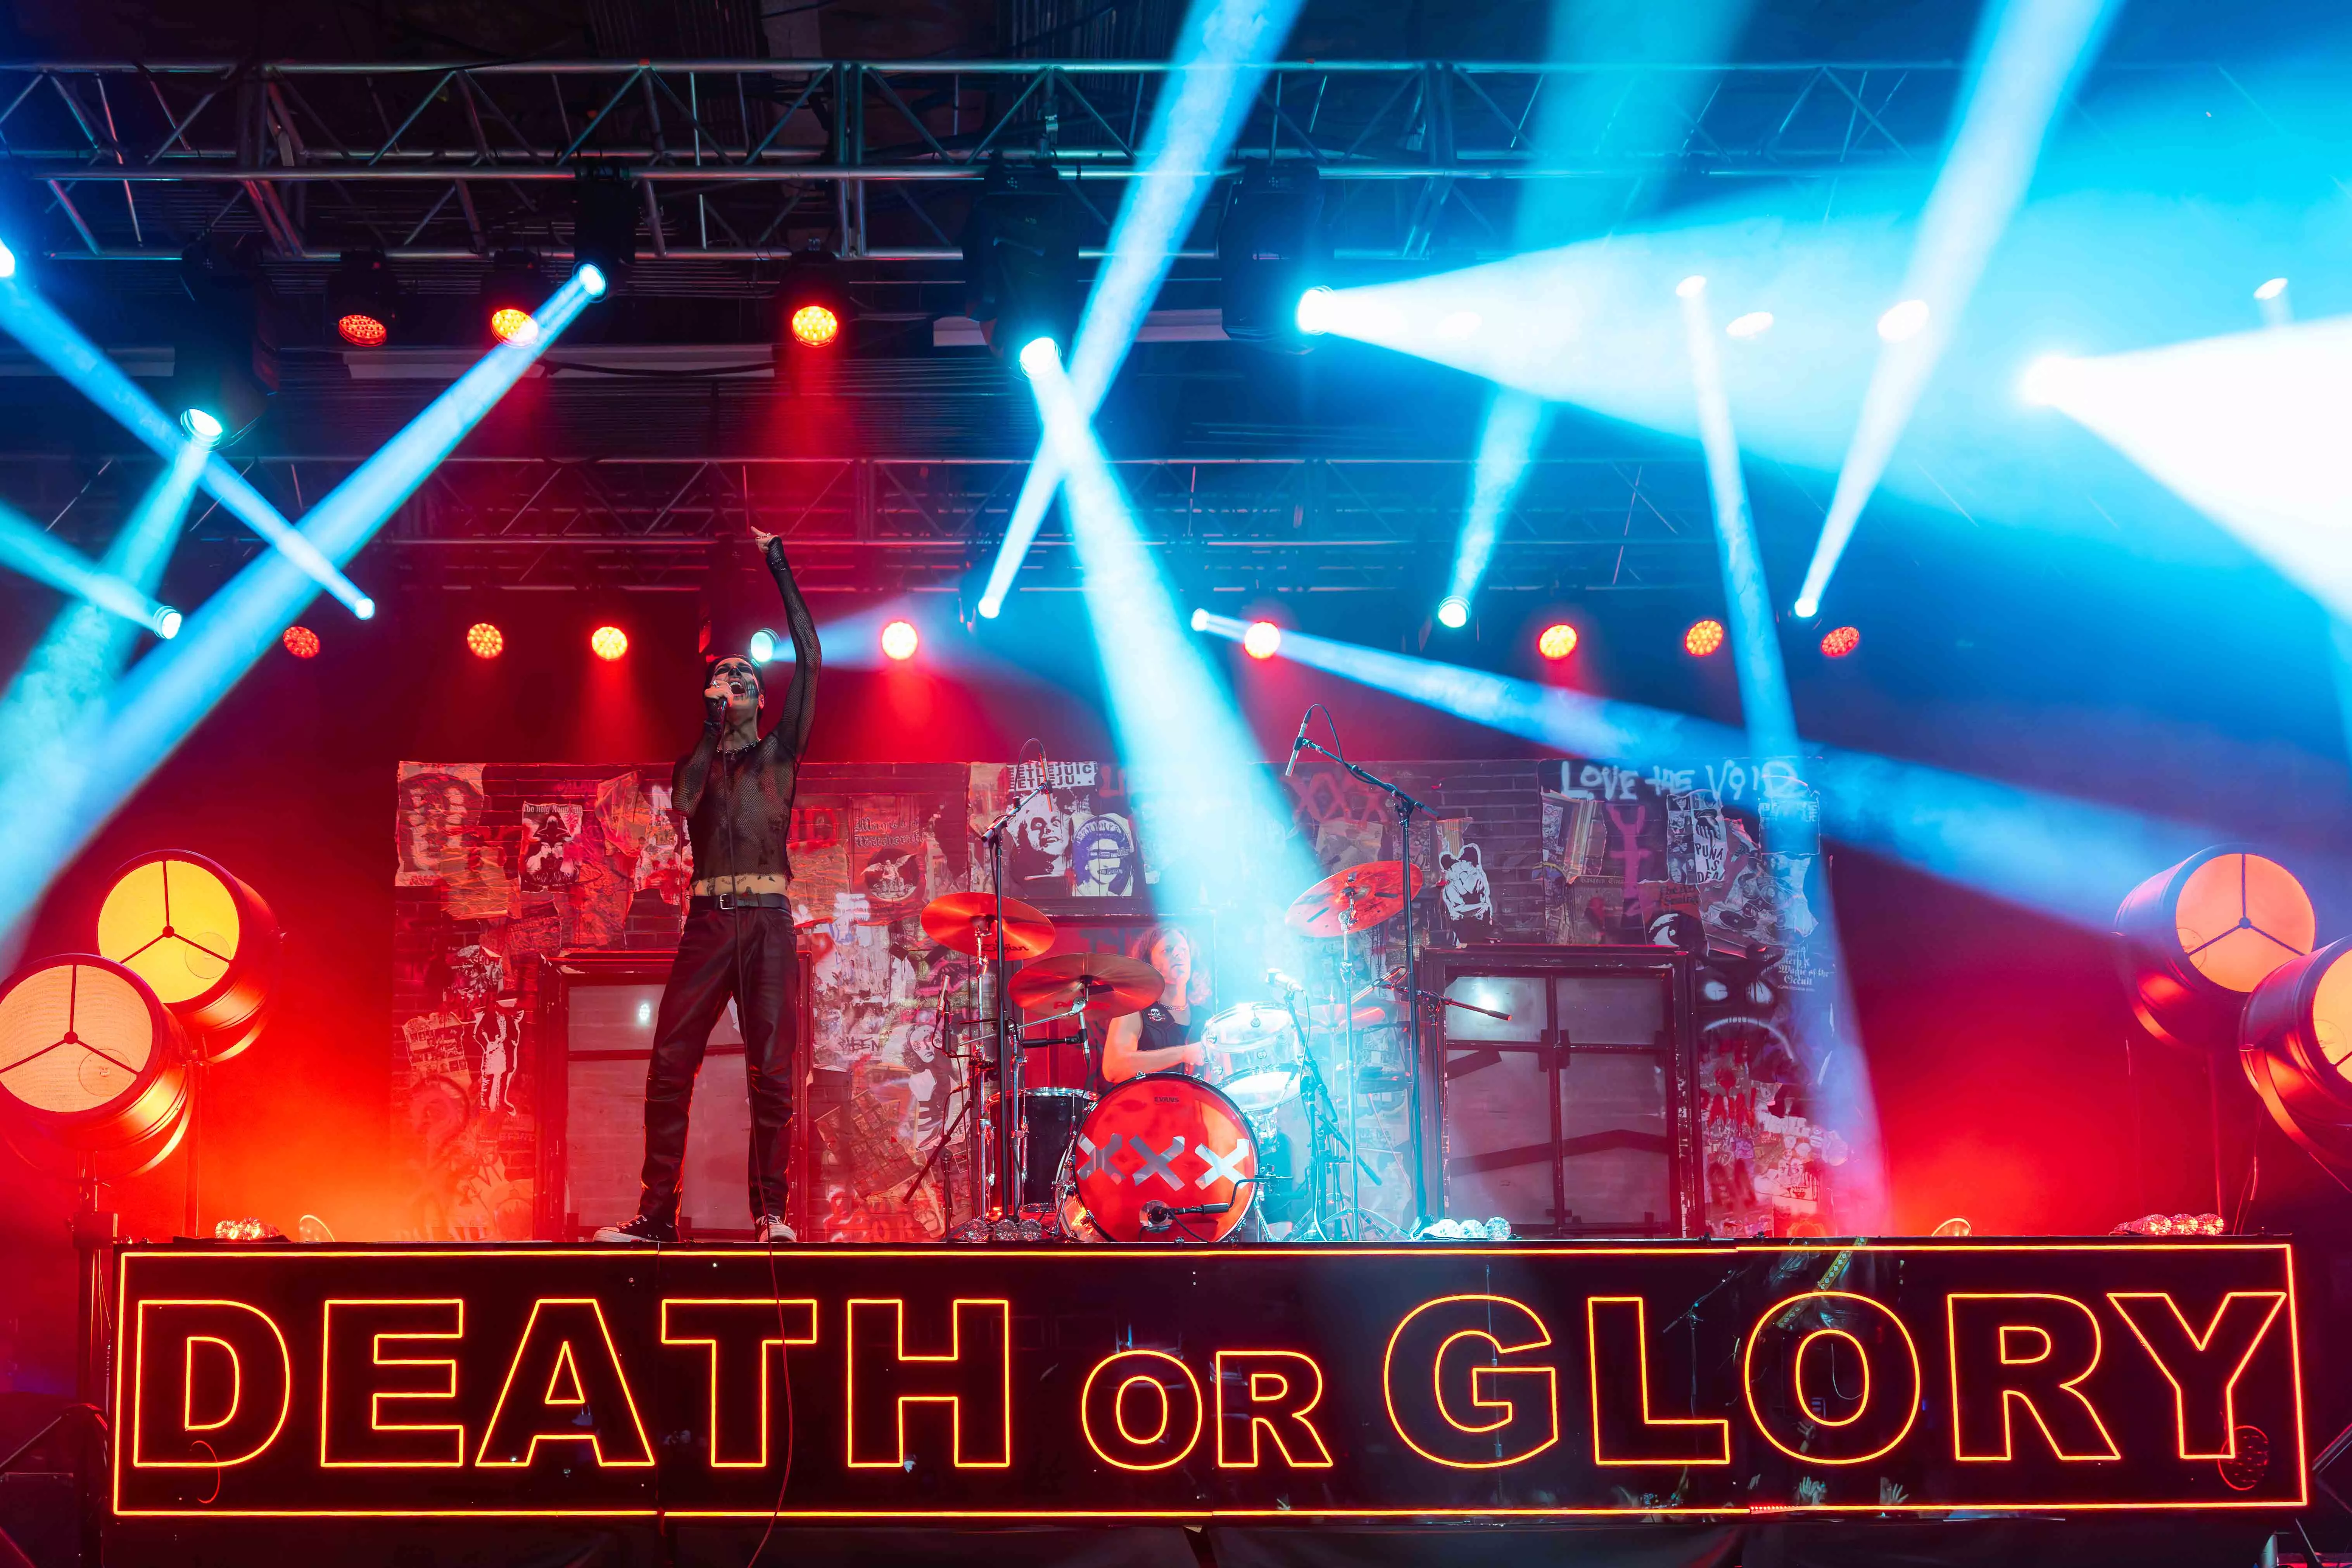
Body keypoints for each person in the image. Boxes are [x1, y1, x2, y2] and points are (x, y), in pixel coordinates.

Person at [597, 528, 819, 1244]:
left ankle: (773, 1213)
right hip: (707, 923)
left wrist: (778, 561)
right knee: (669, 1060)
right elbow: (687, 801)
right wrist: (708, 722)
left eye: (747, 679)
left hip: (767, 921)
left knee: (772, 1072)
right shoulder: (697, 759)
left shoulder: (780, 754)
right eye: (727, 677)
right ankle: (657, 1215)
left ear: (762, 698)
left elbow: (810, 657)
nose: (739, 683)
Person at [1098, 924, 1208, 1090]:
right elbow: (1114, 1068)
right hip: (1145, 1111)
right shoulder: (1134, 1011)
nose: (1179, 954)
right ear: (1149, 963)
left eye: (1184, 950)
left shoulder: (1207, 1018)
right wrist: (1184, 1054)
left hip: (1194, 1111)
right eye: (1168, 950)